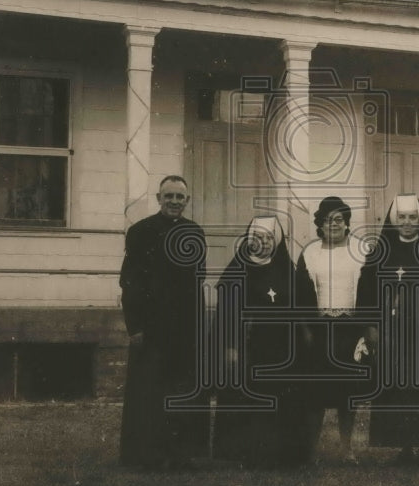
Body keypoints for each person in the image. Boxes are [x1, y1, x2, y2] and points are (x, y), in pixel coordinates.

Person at [118, 175, 208, 470]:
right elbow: (129, 282)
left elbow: (198, 279)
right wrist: (135, 327)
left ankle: (182, 454)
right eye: (168, 196)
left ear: (187, 201)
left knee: (182, 391)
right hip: (151, 329)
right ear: (159, 199)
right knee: (149, 394)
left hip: (185, 329)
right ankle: (146, 456)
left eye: (179, 197)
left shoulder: (194, 232)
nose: (174, 202)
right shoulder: (141, 232)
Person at [356, 194, 419, 467]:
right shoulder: (382, 249)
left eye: (412, 218)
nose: (407, 223)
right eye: (402, 218)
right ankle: (404, 445)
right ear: (394, 221)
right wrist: (370, 324)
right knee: (398, 387)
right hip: (392, 335)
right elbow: (366, 288)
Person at [212, 215, 310, 467]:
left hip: (282, 350)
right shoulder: (236, 270)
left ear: (276, 241)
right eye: (257, 237)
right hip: (249, 348)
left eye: (268, 238)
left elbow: (299, 307)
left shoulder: (287, 269)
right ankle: (244, 455)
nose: (263, 243)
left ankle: (282, 455)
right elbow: (226, 314)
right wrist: (231, 346)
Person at [295, 196, 369, 463]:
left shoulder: (361, 250)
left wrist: (364, 330)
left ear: (347, 223)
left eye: (339, 219)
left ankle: (346, 448)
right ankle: (312, 450)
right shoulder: (310, 253)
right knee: (316, 391)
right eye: (327, 220)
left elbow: (369, 290)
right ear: (320, 224)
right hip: (320, 330)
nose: (333, 224)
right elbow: (301, 295)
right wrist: (306, 331)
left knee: (347, 392)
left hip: (350, 330)